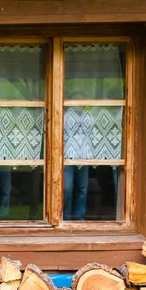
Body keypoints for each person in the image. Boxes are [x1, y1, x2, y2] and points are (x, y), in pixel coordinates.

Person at [63, 91, 90, 220]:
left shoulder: (88, 117)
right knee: (67, 188)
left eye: (82, 100)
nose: (80, 103)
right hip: (67, 157)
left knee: (82, 189)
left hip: (84, 157)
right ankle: (65, 216)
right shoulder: (65, 117)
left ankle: (80, 216)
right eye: (77, 100)